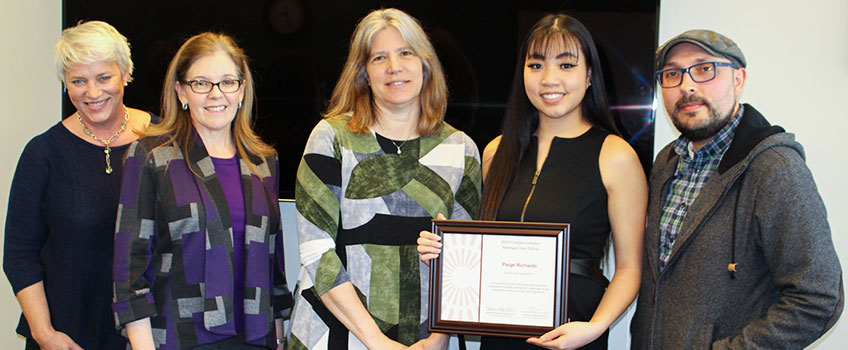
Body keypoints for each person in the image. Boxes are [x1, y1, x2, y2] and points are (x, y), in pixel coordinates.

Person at [418, 13, 647, 350]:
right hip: (501, 336)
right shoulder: (497, 153)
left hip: (573, 335)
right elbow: (489, 255)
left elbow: (630, 268)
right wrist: (447, 253)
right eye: (536, 65)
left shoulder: (616, 156)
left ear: (588, 76)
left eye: (566, 65)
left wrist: (594, 327)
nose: (549, 79)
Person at [630, 29, 843, 349]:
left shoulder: (775, 169)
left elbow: (818, 298)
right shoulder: (667, 162)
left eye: (704, 69)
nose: (687, 85)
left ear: (739, 79)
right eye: (672, 74)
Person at [287, 8, 482, 350]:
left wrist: (438, 339)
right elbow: (317, 252)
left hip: (426, 340)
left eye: (405, 52)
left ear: (425, 63)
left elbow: (464, 263)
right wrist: (377, 342)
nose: (394, 66)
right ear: (363, 72)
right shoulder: (332, 137)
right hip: (336, 333)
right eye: (379, 57)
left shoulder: (461, 149)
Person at [111, 32, 291, 349]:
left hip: (254, 339)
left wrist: (278, 339)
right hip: (177, 338)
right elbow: (130, 270)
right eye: (201, 83)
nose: (215, 94)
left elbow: (273, 266)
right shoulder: (153, 156)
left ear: (242, 90)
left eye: (227, 82)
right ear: (181, 91)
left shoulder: (263, 161)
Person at [3, 20, 156, 350]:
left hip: (150, 334)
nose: (92, 92)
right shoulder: (42, 153)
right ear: (65, 84)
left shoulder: (162, 141)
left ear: (126, 73)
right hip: (67, 337)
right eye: (78, 81)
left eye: (104, 77)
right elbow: (18, 255)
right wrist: (45, 335)